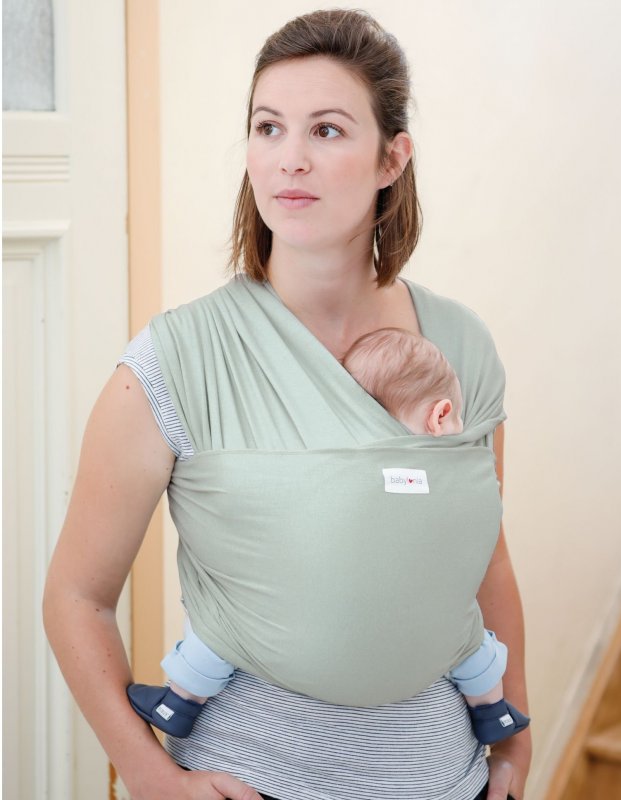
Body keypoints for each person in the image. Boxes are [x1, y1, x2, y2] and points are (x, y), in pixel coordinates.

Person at [42, 9, 531, 800]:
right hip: (254, 781)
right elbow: (76, 597)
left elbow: (488, 564)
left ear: (392, 158)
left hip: (450, 780)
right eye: (268, 128)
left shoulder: (461, 349)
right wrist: (151, 778)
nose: (289, 159)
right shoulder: (178, 360)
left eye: (326, 130)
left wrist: (514, 743)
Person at [125, 327, 530, 748]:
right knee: (471, 640)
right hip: (426, 640)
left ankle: (179, 703)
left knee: (221, 629)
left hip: (311, 634)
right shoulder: (454, 483)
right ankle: (492, 711)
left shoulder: (332, 475)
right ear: (441, 415)